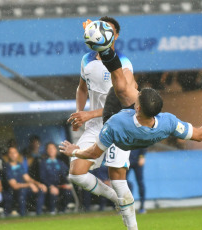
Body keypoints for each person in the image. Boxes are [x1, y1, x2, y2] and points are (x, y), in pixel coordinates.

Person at [60, 31, 202, 229]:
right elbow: (200, 134)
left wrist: (73, 150)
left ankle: (105, 48)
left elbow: (92, 152)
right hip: (133, 136)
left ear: (136, 107)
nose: (136, 90)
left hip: (115, 132)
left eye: (138, 93)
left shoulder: (116, 123)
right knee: (116, 185)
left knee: (120, 85)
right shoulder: (167, 122)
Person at [66, 16, 137, 227]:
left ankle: (132, 226)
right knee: (76, 173)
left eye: (107, 29)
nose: (102, 32)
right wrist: (79, 113)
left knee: (118, 180)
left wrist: (89, 114)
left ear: (114, 36)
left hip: (119, 126)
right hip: (95, 127)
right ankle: (117, 200)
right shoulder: (86, 60)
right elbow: (81, 88)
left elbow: (126, 101)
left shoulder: (123, 64)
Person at [4, 147, 46, 216]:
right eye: (10, 153)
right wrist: (29, 185)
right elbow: (14, 186)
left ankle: (39, 214)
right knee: (22, 191)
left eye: (14, 152)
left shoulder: (19, 165)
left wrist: (39, 184)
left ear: (17, 154)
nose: (12, 155)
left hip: (24, 189)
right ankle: (22, 215)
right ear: (8, 155)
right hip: (13, 192)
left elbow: (28, 178)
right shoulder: (7, 167)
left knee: (41, 189)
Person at [40, 142, 73, 214]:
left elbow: (66, 174)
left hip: (60, 185)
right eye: (49, 148)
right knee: (53, 192)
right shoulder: (43, 163)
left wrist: (67, 184)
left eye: (53, 148)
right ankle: (52, 210)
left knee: (67, 191)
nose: (51, 150)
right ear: (46, 150)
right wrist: (50, 186)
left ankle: (62, 210)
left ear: (56, 150)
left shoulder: (60, 163)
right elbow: (42, 177)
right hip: (49, 186)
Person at [127, 148, 146, 214]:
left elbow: (144, 142)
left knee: (140, 182)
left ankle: (142, 206)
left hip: (137, 160)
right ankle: (127, 205)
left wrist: (142, 156)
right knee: (123, 182)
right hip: (126, 160)